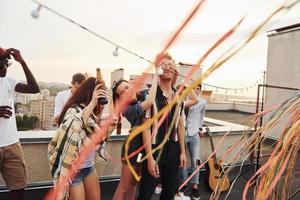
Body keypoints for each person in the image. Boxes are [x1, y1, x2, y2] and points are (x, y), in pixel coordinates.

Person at [48, 77, 108, 200]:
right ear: (89, 93)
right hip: (74, 170)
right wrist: (92, 103)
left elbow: (93, 137)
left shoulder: (90, 111)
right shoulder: (73, 109)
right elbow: (75, 123)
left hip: (88, 166)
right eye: (99, 91)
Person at [137, 53, 187, 200]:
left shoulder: (179, 97)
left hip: (174, 148)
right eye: (163, 65)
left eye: (170, 65)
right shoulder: (150, 95)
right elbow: (145, 127)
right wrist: (150, 158)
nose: (167, 67)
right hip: (155, 148)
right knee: (146, 192)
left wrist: (183, 151)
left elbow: (180, 125)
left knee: (169, 192)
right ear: (157, 70)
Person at [0, 47, 40, 200]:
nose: (5, 69)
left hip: (12, 145)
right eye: (1, 65)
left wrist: (22, 62)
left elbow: (34, 89)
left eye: (7, 64)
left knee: (19, 189)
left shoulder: (8, 82)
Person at [111, 70, 158, 200]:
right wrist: (156, 75)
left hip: (141, 150)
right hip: (132, 149)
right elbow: (149, 102)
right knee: (124, 186)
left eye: (127, 87)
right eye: (122, 93)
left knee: (134, 182)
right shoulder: (126, 109)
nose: (126, 92)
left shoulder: (142, 94)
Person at [180, 83, 207, 200]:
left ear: (200, 91)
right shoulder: (183, 100)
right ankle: (184, 184)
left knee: (196, 160)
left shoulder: (203, 102)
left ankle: (195, 186)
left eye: (198, 89)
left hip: (194, 134)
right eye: (194, 88)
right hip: (182, 134)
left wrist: (200, 129)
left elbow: (201, 117)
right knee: (182, 160)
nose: (196, 90)